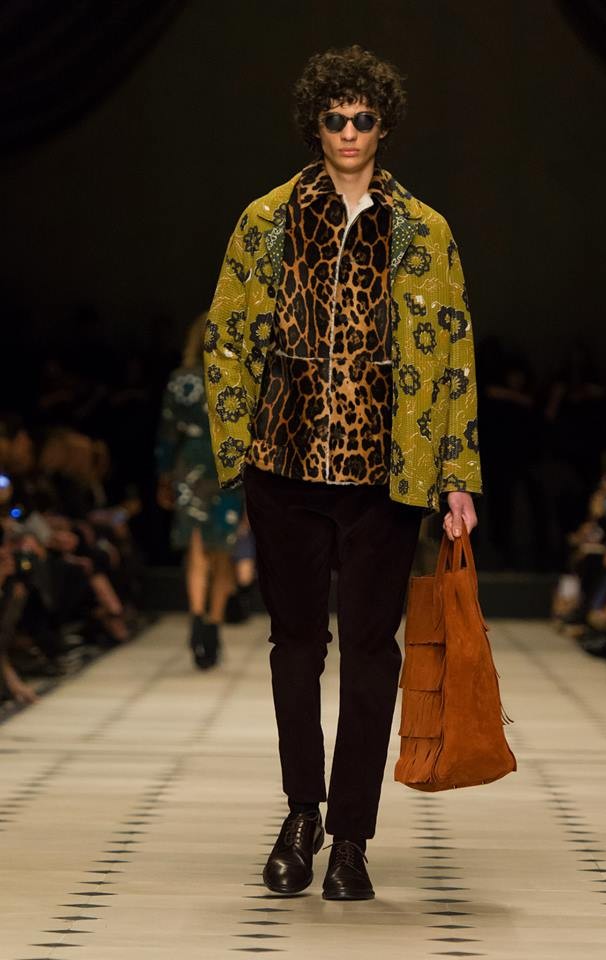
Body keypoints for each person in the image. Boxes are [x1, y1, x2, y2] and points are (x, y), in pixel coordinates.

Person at [204, 45, 481, 900]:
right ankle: (302, 814)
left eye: (363, 118)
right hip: (283, 467)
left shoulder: (423, 230)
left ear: (382, 125)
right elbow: (227, 336)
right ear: (315, 124)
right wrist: (236, 450)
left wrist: (456, 474)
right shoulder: (267, 219)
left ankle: (351, 837)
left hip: (382, 477)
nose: (349, 131)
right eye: (335, 118)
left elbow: (453, 356)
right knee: (295, 647)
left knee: (369, 653)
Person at [156, 314, 244, 669]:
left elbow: (166, 432)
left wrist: (164, 476)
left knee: (196, 547)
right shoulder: (239, 375)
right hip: (227, 461)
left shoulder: (181, 380)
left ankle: (196, 619)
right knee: (222, 548)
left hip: (190, 462)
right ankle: (213, 625)